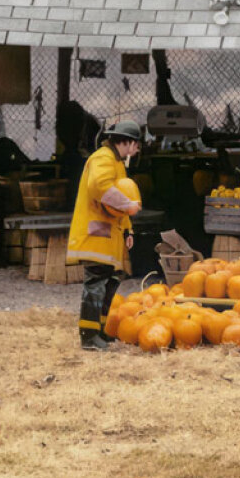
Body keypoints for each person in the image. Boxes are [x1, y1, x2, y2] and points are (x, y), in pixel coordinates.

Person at [72, 118, 143, 347]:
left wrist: (128, 229)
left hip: (109, 232)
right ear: (129, 143)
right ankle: (89, 336)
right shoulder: (102, 158)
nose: (138, 149)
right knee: (96, 281)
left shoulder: (116, 161)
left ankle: (99, 331)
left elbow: (120, 193)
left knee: (109, 280)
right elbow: (100, 187)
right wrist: (128, 206)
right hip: (97, 232)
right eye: (137, 144)